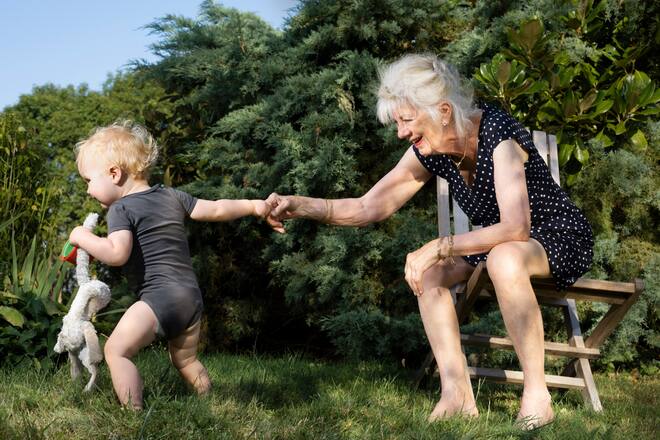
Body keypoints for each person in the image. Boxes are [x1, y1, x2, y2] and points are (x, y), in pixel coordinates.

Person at [265, 53, 593, 429]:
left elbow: (516, 228)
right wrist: (300, 205)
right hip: (498, 245)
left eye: (406, 120)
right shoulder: (431, 151)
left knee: (502, 258)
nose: (401, 133)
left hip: (557, 236)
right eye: (398, 122)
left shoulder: (497, 133)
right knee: (431, 273)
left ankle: (537, 395)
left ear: (442, 111)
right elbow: (368, 206)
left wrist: (439, 245)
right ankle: (456, 396)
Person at [68, 120, 272, 409]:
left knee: (116, 351)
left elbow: (116, 253)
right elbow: (216, 208)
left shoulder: (121, 208)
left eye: (89, 181)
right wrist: (253, 205)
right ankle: (210, 403)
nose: (88, 190)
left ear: (114, 174)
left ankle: (133, 413)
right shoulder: (172, 196)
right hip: (190, 298)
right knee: (185, 359)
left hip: (159, 297)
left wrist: (82, 237)